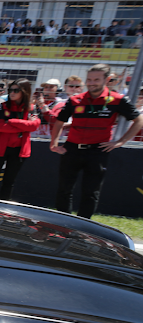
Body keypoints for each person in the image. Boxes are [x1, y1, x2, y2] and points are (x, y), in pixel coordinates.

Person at [50, 63, 143, 219]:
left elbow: (138, 120)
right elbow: (59, 122)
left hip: (97, 151)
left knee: (91, 191)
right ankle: (62, 224)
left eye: (96, 79)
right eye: (89, 79)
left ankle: (84, 227)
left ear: (106, 80)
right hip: (71, 149)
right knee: (64, 189)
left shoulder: (117, 100)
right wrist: (54, 143)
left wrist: (120, 142)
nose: (92, 83)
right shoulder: (75, 100)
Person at [0, 79, 40, 200]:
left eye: (16, 90)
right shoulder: (3, 106)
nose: (12, 93)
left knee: (9, 181)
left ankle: (2, 210)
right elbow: (1, 126)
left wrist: (12, 121)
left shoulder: (31, 108)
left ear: (24, 91)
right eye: (10, 90)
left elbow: (34, 126)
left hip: (19, 150)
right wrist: (24, 126)